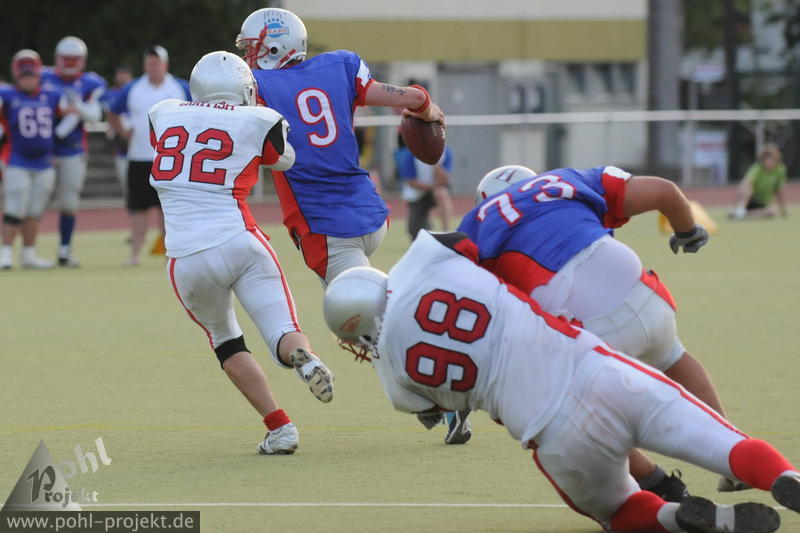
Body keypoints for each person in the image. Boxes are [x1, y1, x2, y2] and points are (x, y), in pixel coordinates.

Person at [322, 231, 800, 533]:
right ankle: (785, 478)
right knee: (727, 443)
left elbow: (435, 406)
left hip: (552, 436)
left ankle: (679, 519)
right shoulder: (426, 258)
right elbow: (474, 245)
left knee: (617, 511)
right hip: (594, 370)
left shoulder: (396, 383)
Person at [455, 164, 732, 497]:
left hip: (587, 326)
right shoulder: (566, 178)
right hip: (645, 295)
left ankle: (659, 484)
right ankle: (735, 452)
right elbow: (665, 192)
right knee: (671, 354)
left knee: (574, 409)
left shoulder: (477, 223)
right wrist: (686, 231)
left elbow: (467, 307)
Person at [149, 51, 334, 455]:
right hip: (239, 240)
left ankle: (280, 428)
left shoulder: (163, 112)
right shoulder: (258, 119)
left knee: (226, 341)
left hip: (186, 258)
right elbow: (284, 160)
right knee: (282, 328)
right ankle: (303, 356)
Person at [235, 7, 444, 285]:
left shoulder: (258, 86)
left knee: (358, 307)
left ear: (274, 49)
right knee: (348, 306)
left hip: (326, 225)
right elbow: (412, 98)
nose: (247, 57)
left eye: (252, 49)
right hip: (369, 210)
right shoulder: (339, 66)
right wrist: (427, 109)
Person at [107, 45, 190, 267]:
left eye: (157, 63)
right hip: (139, 157)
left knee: (168, 209)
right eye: (150, 63)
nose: (153, 67)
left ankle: (171, 255)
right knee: (138, 208)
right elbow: (112, 111)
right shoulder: (133, 88)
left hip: (171, 159)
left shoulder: (180, 87)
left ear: (165, 64)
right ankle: (135, 253)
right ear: (145, 65)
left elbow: (200, 109)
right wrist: (123, 132)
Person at [0, 50, 75, 270]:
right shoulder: (7, 96)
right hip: (17, 160)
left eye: (31, 75)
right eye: (24, 76)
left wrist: (60, 132)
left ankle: (29, 254)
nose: (28, 79)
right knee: (15, 208)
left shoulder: (51, 95)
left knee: (34, 210)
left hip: (44, 162)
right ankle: (5, 254)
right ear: (17, 76)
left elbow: (72, 111)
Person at [40, 36, 107, 268]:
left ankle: (64, 250)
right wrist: (66, 109)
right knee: (34, 204)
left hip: (72, 150)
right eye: (65, 59)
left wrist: (76, 106)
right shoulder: (42, 76)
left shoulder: (90, 83)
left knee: (69, 204)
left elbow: (95, 115)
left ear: (83, 60)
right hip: (43, 151)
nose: (69, 64)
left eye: (73, 59)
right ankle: (27, 251)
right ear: (56, 58)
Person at [396, 136, 454, 241]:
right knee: (415, 231)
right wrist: (432, 186)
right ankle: (426, 226)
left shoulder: (446, 153)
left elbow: (444, 180)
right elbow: (411, 182)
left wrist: (434, 162)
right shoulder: (411, 155)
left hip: (435, 192)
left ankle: (447, 232)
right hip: (417, 194)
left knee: (442, 193)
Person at [100, 65, 134, 199]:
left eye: (125, 74)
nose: (122, 77)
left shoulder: (138, 92)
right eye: (120, 74)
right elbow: (109, 115)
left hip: (139, 141)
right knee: (126, 182)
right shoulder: (110, 94)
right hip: (121, 141)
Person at [729, 143, 788, 220]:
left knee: (772, 211)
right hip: (749, 200)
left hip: (762, 203)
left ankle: (743, 214)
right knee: (746, 185)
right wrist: (746, 194)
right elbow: (747, 182)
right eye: (766, 160)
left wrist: (783, 210)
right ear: (762, 160)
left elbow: (779, 190)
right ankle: (740, 210)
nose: (769, 163)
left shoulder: (780, 169)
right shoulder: (757, 168)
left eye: (771, 160)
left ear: (776, 160)